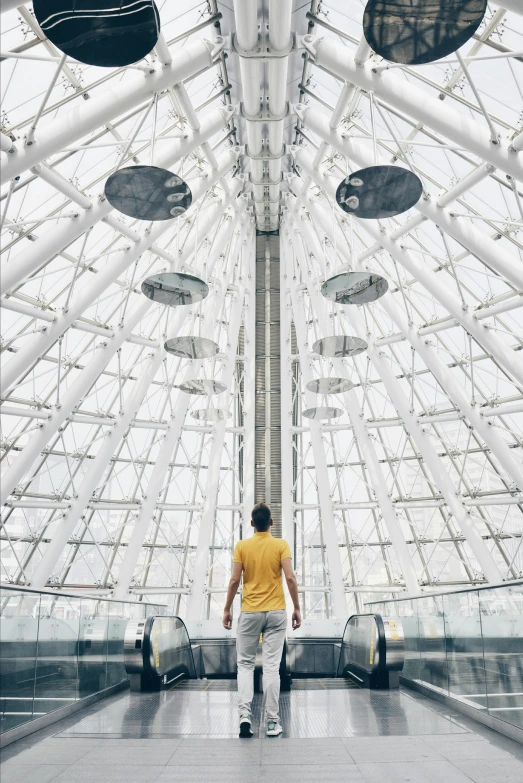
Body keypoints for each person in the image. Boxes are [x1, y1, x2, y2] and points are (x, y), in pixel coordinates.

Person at [222, 502, 301, 738]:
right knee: (271, 669)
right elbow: (290, 578)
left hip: (249, 612)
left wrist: (226, 609)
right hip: (276, 612)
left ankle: (245, 716)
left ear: (252, 523)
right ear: (272, 523)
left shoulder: (242, 546)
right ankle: (271, 723)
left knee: (245, 665)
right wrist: (297, 608)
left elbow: (235, 581)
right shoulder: (281, 545)